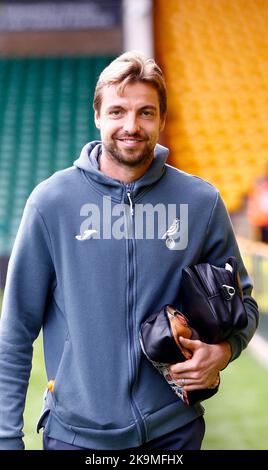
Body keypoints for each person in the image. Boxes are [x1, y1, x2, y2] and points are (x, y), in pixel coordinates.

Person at [0, 51, 258, 451]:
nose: (131, 126)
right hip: (76, 437)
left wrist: (223, 352)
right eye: (118, 111)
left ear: (162, 119)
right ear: (98, 116)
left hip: (172, 433)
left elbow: (245, 305)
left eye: (145, 113)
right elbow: (15, 330)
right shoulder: (51, 203)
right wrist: (5, 438)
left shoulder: (200, 202)